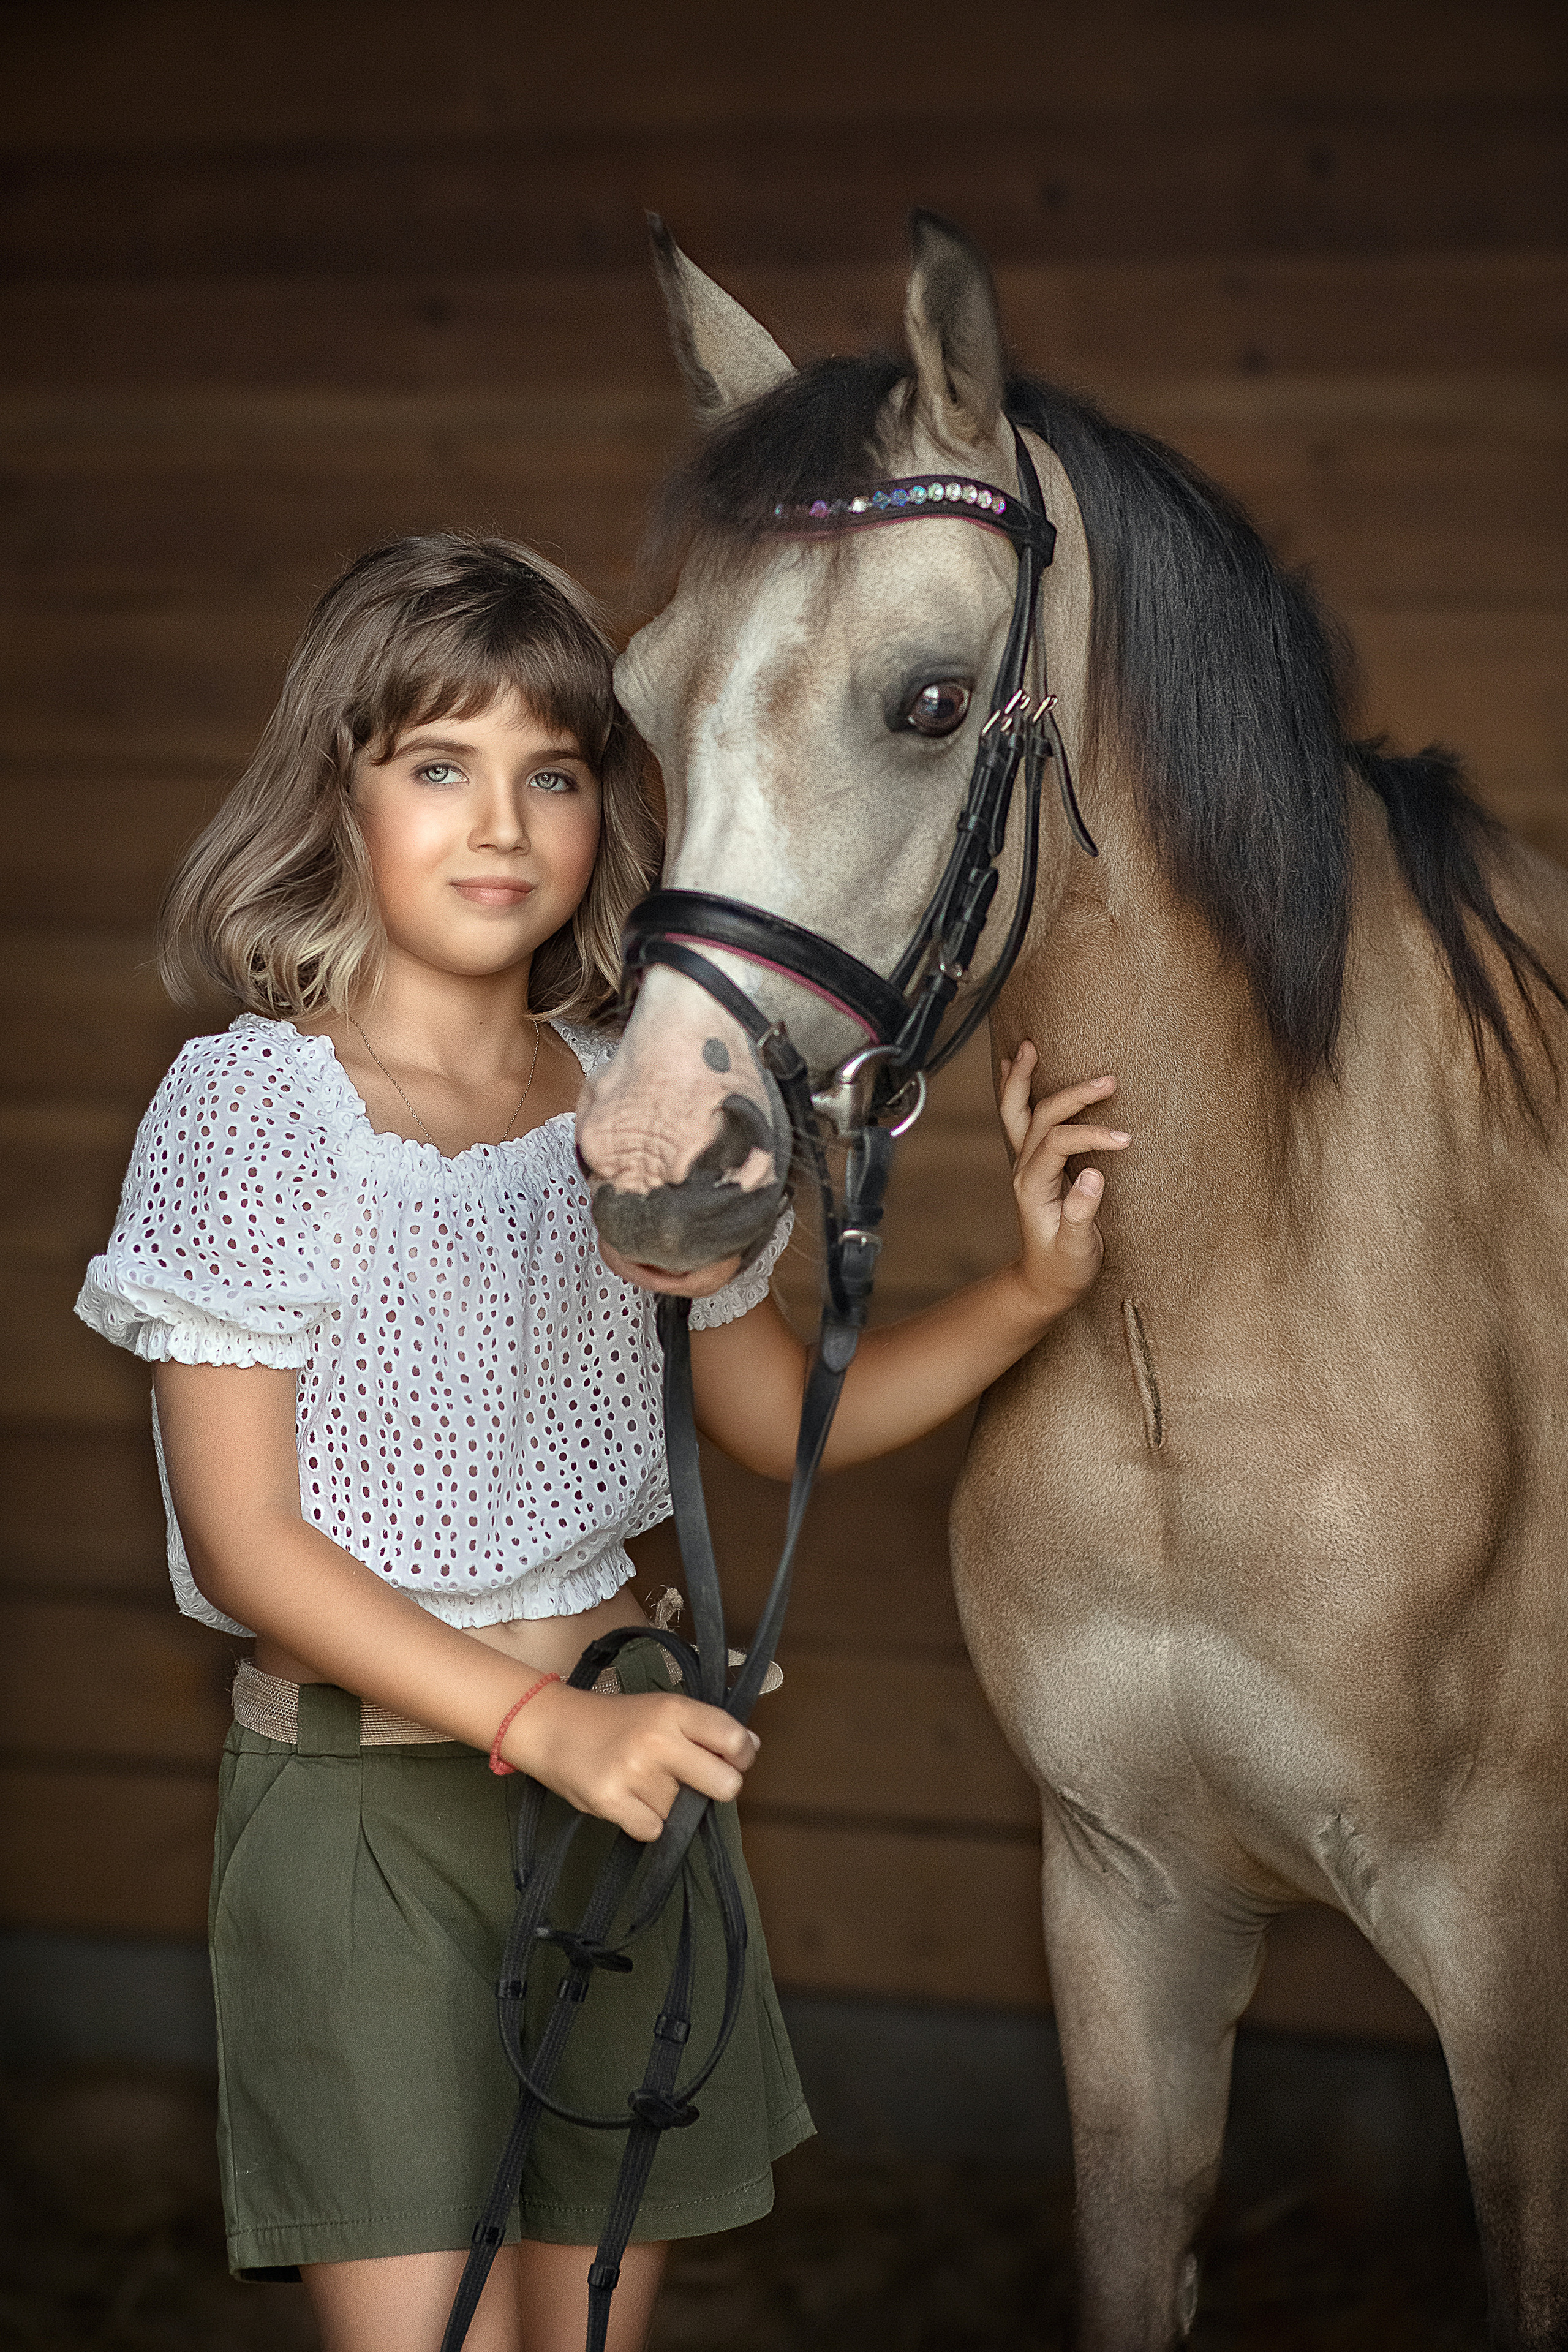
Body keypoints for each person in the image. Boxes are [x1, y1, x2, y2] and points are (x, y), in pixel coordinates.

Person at [76, 533, 1130, 2352]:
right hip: (373, 1816)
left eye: (552, 775)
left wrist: (1033, 1291)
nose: (503, 824)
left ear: (603, 809)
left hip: (613, 1814)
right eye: (440, 768)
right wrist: (541, 1723)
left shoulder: (628, 1097)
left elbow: (772, 1412)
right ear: (339, 794)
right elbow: (249, 1546)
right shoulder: (257, 1111)